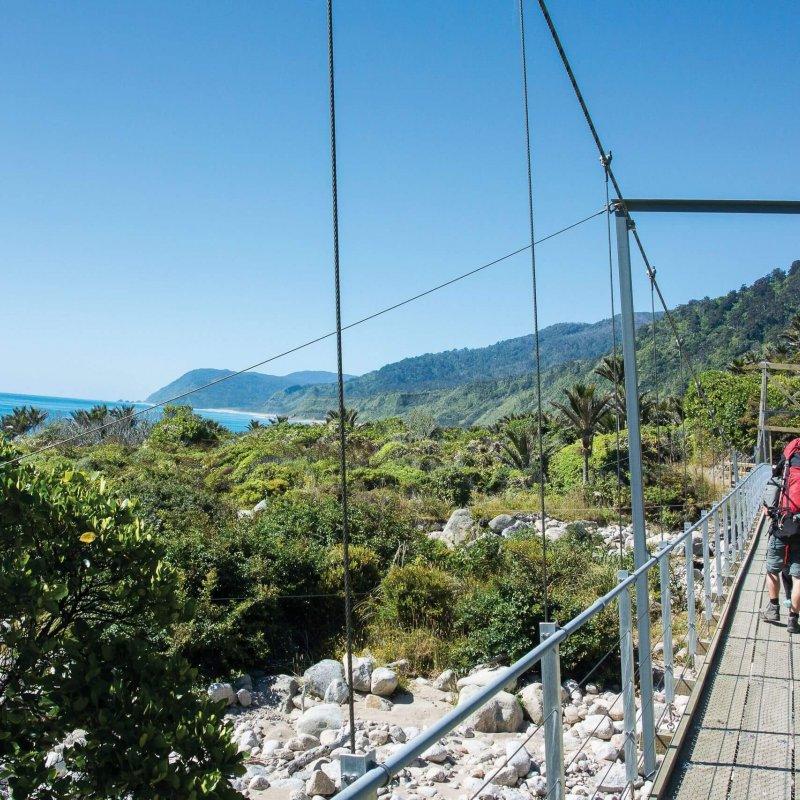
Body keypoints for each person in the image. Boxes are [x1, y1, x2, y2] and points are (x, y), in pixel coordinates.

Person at [762, 438, 800, 633]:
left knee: (772, 569)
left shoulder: (788, 460)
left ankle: (773, 608)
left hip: (781, 525)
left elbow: (772, 490)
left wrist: (768, 510)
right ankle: (793, 620)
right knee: (798, 578)